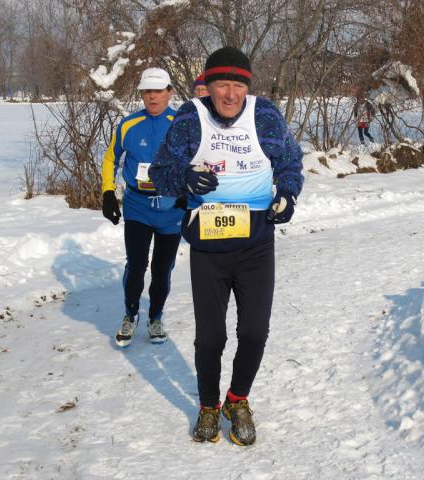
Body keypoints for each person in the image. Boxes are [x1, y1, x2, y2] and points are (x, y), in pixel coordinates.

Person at [149, 47, 303, 446]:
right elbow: (161, 172)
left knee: (254, 331)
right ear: (208, 85)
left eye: (237, 85)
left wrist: (286, 194)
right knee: (211, 337)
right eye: (222, 84)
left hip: (255, 244)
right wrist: (184, 178)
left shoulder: (264, 115)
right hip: (209, 248)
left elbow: (289, 160)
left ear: (246, 87)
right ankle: (207, 405)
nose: (230, 94)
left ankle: (237, 400)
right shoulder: (190, 117)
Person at [101, 67, 184, 347]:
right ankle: (130, 314)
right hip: (138, 206)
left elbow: (198, 159)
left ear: (169, 92)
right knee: (136, 265)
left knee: (163, 269)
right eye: (147, 91)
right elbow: (110, 158)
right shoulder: (128, 124)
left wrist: (190, 193)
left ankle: (156, 317)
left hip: (172, 207)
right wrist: (108, 192)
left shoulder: (182, 123)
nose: (152, 97)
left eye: (158, 91)